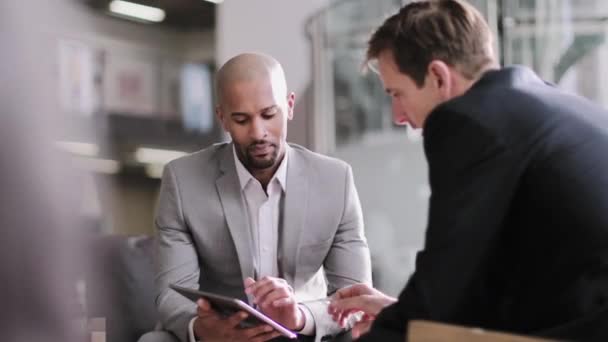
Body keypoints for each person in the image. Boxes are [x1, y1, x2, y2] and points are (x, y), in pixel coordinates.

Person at [328, 0, 608, 341]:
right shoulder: (549, 103)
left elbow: (443, 279)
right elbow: (478, 286)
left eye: (397, 93)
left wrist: (399, 327)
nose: (397, 116)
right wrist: (401, 315)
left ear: (437, 76)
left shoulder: (470, 120)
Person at [141, 52, 372, 342]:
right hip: (221, 334)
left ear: (289, 106)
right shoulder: (183, 180)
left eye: (268, 114)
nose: (258, 132)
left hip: (302, 331)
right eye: (241, 119)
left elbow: (356, 297)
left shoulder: (335, 181)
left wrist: (299, 316)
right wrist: (205, 329)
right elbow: (171, 293)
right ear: (222, 117)